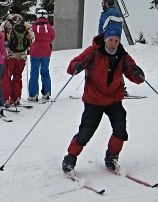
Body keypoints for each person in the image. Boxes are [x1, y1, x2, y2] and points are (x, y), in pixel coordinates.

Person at [61, 21, 145, 174]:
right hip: (94, 99)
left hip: (114, 100)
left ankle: (111, 158)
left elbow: (136, 77)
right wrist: (77, 66)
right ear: (105, 39)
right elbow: (71, 67)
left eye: (116, 40)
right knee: (86, 132)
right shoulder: (93, 51)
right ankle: (70, 159)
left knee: (120, 130)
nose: (113, 43)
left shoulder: (122, 56)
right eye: (111, 39)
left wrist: (138, 74)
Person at [0, 5, 34, 107]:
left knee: (6, 76)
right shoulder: (26, 24)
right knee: (17, 76)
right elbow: (32, 38)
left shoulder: (5, 24)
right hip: (22, 56)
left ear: (10, 12)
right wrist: (26, 47)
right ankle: (16, 98)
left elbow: (0, 38)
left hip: (9, 55)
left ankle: (5, 99)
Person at [27, 8, 55, 101]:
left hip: (35, 51)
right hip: (46, 52)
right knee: (45, 72)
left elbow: (29, 37)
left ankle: (33, 94)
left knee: (34, 73)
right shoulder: (49, 27)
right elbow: (52, 37)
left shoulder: (33, 26)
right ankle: (46, 92)